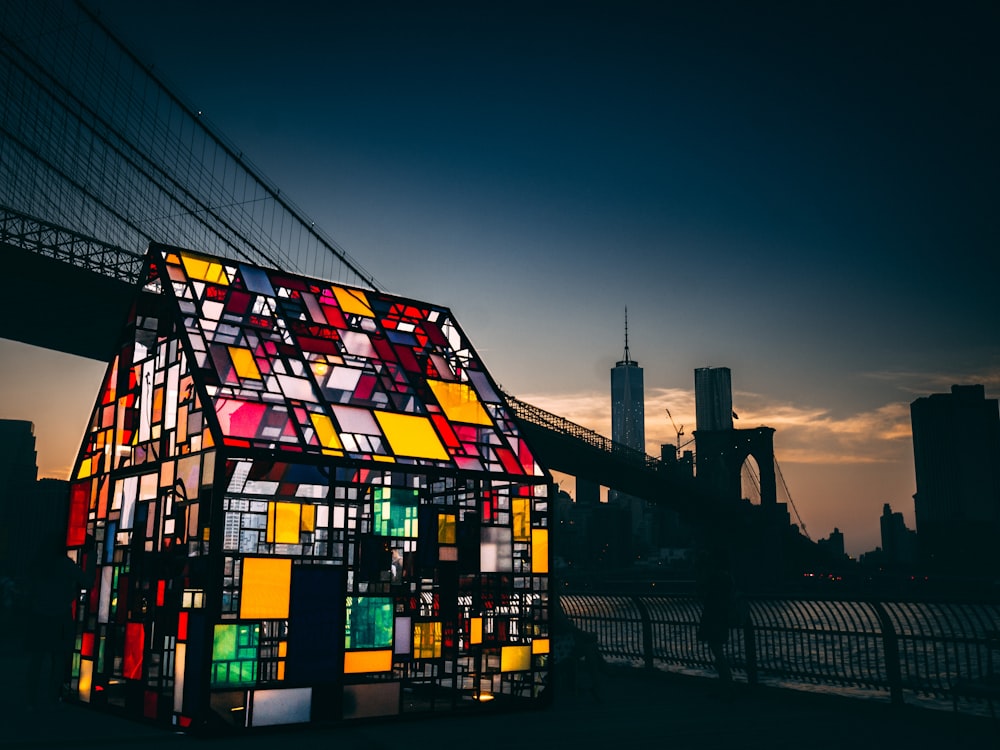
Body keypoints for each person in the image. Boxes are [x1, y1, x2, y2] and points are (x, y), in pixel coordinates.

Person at [24, 542, 90, 709]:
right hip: (60, 615)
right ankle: (53, 696)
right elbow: (87, 581)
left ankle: (31, 696)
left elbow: (29, 588)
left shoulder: (39, 566)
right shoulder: (66, 565)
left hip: (39, 615)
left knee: (37, 658)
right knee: (59, 657)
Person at [697, 547, 736, 696]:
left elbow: (701, 591)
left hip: (713, 615)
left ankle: (727, 685)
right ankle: (726, 684)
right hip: (722, 615)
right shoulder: (728, 577)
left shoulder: (713, 576)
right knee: (718, 650)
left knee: (717, 651)